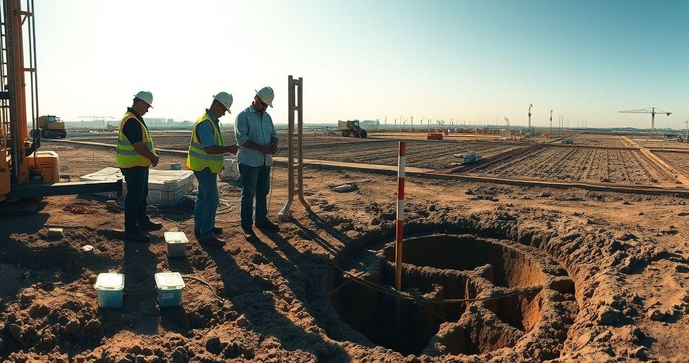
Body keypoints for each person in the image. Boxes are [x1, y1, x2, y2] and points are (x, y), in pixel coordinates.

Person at [187, 92, 239, 247]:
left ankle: (200, 227)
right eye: (224, 109)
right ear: (216, 104)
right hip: (205, 167)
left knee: (203, 198)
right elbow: (209, 148)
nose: (224, 113)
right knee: (212, 200)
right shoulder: (206, 123)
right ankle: (206, 233)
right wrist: (229, 148)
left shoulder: (209, 120)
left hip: (204, 167)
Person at [116, 91, 162, 242]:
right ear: (140, 103)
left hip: (139, 164)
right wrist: (153, 157)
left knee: (142, 194)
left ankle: (142, 220)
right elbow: (138, 145)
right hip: (132, 165)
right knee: (134, 196)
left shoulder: (135, 118)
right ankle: (131, 229)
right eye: (147, 106)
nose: (148, 109)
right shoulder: (131, 120)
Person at [234, 86, 280, 240]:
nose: (265, 107)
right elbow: (242, 139)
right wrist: (261, 148)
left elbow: (274, 134)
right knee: (248, 194)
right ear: (255, 98)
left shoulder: (267, 117)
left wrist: (273, 143)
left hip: (265, 162)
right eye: (263, 103)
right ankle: (247, 226)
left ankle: (261, 219)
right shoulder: (243, 116)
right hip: (249, 162)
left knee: (263, 192)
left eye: (267, 105)